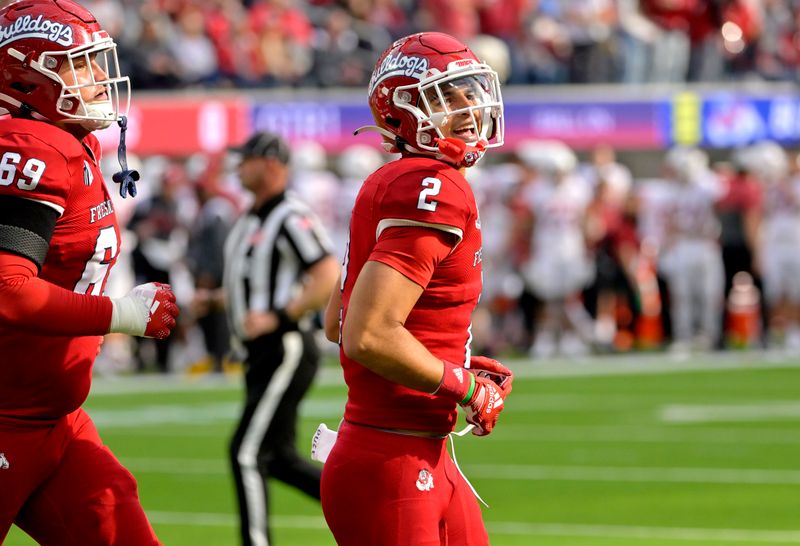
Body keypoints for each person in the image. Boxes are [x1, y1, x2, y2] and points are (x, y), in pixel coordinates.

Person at [320, 32, 514, 546]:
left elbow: (335, 321)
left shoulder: (396, 179)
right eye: (449, 97)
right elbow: (366, 335)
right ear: (404, 109)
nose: (470, 107)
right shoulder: (432, 187)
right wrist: (465, 386)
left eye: (470, 91)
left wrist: (451, 361)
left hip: (416, 452)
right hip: (395, 459)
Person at [0, 1, 181, 545]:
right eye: (80, 64)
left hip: (55, 418)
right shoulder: (29, 147)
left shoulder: (73, 142)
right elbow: (9, 290)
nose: (100, 79)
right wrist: (121, 314)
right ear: (31, 78)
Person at [222, 131, 340, 546]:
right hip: (259, 352)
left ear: (271, 163)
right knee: (280, 459)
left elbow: (326, 273)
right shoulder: (250, 218)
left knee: (246, 453)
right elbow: (251, 282)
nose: (238, 167)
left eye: (246, 159)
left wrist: (278, 316)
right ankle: (368, 510)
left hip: (286, 347)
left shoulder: (289, 215)